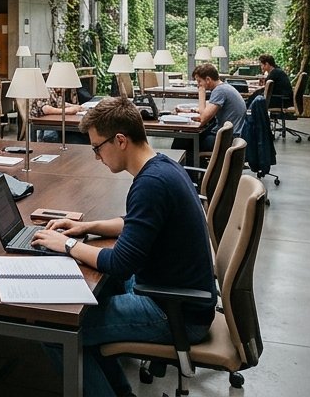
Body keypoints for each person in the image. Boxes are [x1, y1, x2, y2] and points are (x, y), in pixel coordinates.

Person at [29, 98, 216, 397]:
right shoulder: (162, 166)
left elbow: (120, 263)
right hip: (175, 293)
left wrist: (66, 244)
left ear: (120, 140)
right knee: (103, 286)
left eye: (97, 147)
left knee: (53, 329)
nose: (96, 157)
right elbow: (137, 221)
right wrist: (87, 227)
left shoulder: (150, 184)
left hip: (174, 311)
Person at [181, 62, 247, 155]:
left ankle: (192, 168)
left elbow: (203, 119)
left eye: (199, 81)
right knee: (186, 140)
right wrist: (186, 111)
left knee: (182, 143)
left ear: (208, 79)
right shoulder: (225, 87)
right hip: (231, 136)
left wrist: (201, 92)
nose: (198, 84)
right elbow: (208, 108)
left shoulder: (219, 91)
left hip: (224, 140)